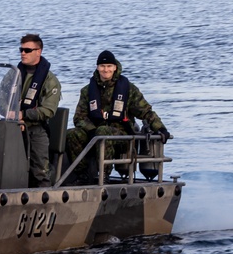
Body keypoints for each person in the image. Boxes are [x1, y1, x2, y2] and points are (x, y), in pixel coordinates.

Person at [65, 50, 171, 181]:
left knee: (103, 132)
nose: (106, 70)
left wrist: (161, 128)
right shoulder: (87, 91)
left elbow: (145, 111)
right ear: (97, 68)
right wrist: (91, 130)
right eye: (102, 66)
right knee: (71, 134)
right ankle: (82, 174)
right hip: (95, 132)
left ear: (115, 67)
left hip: (122, 134)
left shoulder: (128, 89)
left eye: (109, 66)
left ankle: (104, 175)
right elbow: (79, 118)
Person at [13, 33, 62, 188]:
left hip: (36, 128)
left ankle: (44, 197)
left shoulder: (50, 80)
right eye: (21, 49)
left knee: (40, 172)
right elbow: (0, 98)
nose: (23, 53)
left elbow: (48, 110)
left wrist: (24, 114)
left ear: (38, 51)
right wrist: (11, 111)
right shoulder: (13, 74)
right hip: (12, 126)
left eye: (27, 50)